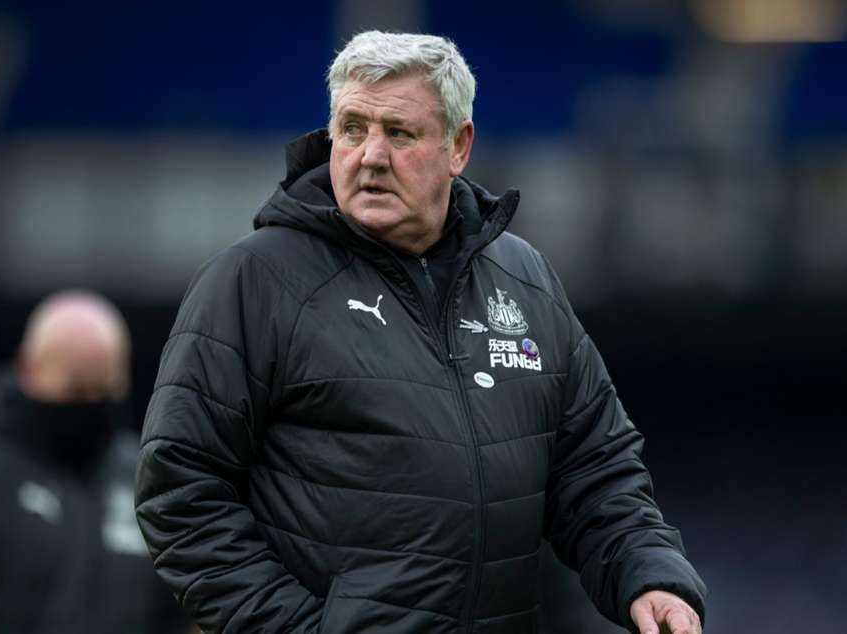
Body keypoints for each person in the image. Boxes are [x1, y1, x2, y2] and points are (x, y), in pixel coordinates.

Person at [134, 31, 707, 634]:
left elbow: (595, 468)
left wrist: (649, 574)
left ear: (458, 146)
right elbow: (179, 493)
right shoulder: (254, 280)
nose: (370, 155)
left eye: (399, 133)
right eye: (352, 129)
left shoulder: (526, 280)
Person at [0, 290, 191, 634]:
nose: (88, 407)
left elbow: (175, 613)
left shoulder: (144, 481)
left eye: (101, 390)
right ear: (28, 369)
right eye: (73, 391)